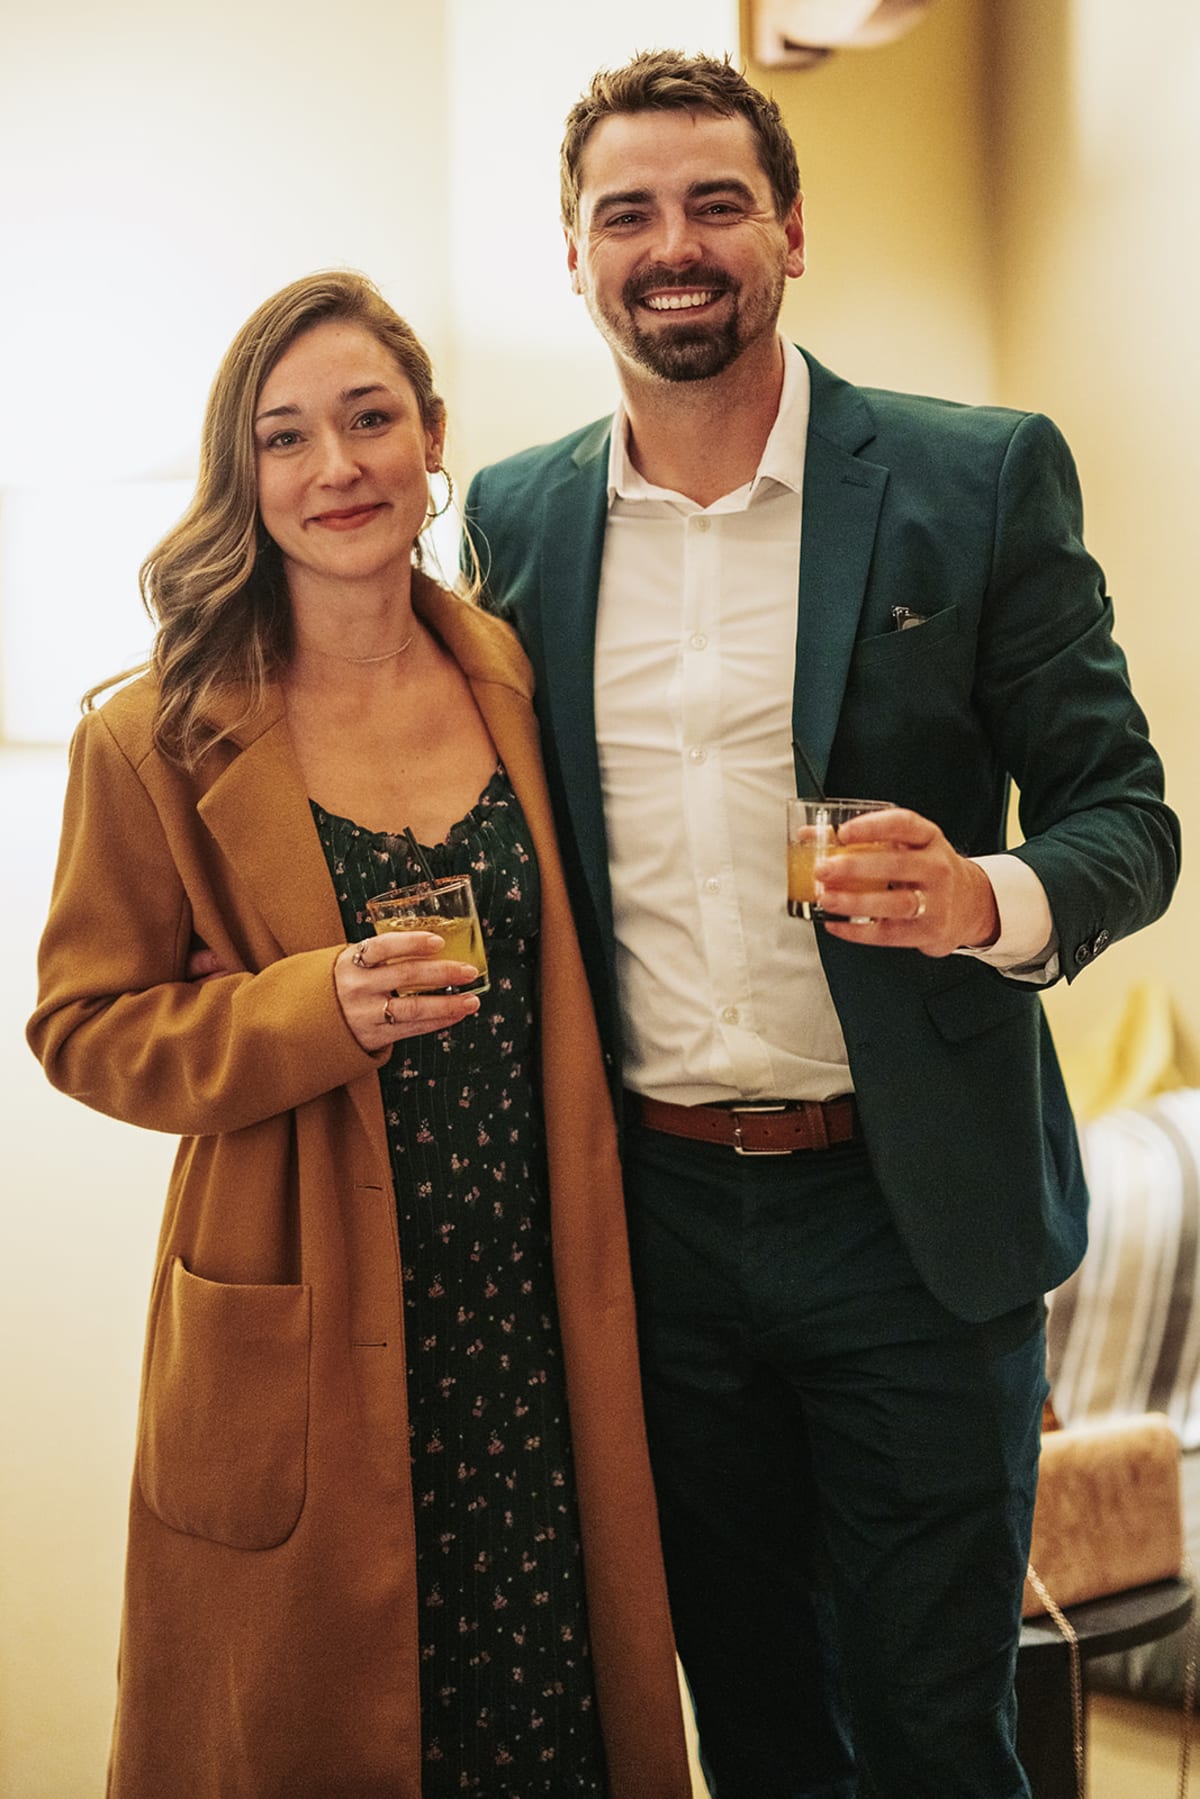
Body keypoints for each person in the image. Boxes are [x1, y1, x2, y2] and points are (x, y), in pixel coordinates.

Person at [463, 50, 1181, 1799]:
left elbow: (1129, 825)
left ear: (790, 228)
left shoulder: (979, 476)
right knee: (760, 1730)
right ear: (574, 257)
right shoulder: (517, 520)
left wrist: (979, 899)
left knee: (941, 1731)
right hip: (655, 1224)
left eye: (717, 202)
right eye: (626, 213)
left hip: (908, 1219)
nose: (674, 243)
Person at [27, 271, 692, 1799]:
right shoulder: (152, 733)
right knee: (322, 1742)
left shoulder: (513, 675)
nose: (337, 468)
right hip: (310, 1325)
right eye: (285, 437)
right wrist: (302, 1007)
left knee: (545, 1729)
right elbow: (80, 1025)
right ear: (240, 477)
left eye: (370, 418)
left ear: (432, 439)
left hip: (530, 1327)